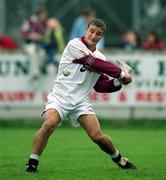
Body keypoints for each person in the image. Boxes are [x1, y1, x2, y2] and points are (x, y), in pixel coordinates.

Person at [25, 18, 136, 173]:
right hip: (60, 97)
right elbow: (92, 62)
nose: (93, 35)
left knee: (98, 136)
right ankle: (32, 164)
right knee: (49, 124)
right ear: (86, 30)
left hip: (81, 102)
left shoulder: (101, 57)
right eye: (91, 31)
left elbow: (100, 86)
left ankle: (120, 159)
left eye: (98, 34)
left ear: (101, 36)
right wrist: (122, 73)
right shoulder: (74, 45)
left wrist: (119, 82)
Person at [20, 8, 48, 82]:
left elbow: (46, 36)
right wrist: (31, 36)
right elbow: (22, 35)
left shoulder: (44, 23)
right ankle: (35, 75)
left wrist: (41, 38)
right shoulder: (29, 22)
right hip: (29, 44)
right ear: (38, 15)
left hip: (39, 45)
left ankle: (37, 71)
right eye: (43, 15)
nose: (44, 17)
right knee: (32, 53)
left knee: (42, 53)